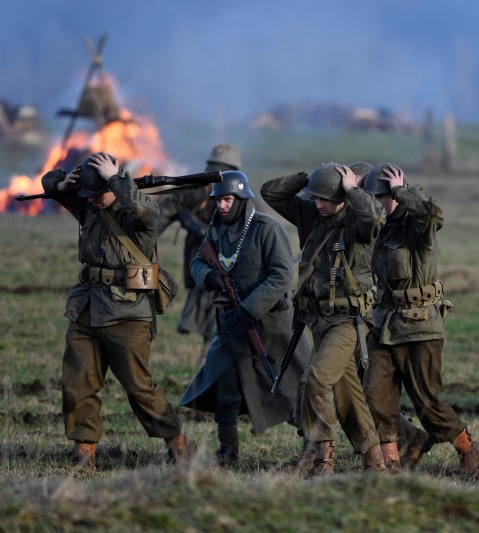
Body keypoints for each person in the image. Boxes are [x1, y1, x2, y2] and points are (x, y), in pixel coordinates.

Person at [40, 152, 194, 471]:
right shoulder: (87, 203)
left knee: (139, 387)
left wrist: (115, 180)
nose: (93, 200)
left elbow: (144, 209)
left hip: (128, 311)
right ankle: (84, 455)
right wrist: (64, 181)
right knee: (77, 381)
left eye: (99, 193)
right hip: (86, 308)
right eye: (88, 194)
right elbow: (48, 184)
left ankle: (179, 444)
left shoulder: (137, 214)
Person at [361, 163, 479, 477]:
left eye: (380, 197)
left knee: (427, 403)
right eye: (373, 198)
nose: (376, 204)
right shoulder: (383, 225)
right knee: (376, 396)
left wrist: (404, 191)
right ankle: (394, 462)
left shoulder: (417, 223)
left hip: (419, 327)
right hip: (385, 324)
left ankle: (470, 448)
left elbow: (434, 215)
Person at [261, 163, 386, 475]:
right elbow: (271, 193)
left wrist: (352, 188)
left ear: (342, 197)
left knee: (315, 379)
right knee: (347, 395)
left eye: (325, 198)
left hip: (348, 321)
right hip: (318, 320)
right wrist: (310, 177)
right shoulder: (311, 216)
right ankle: (375, 461)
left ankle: (323, 459)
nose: (318, 204)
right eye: (314, 197)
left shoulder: (358, 222)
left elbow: (374, 217)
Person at [179, 171, 311, 466]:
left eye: (227, 199)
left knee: (290, 391)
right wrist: (209, 277)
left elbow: (281, 275)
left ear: (241, 199)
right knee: (223, 388)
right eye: (218, 200)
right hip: (230, 327)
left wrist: (250, 307)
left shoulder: (266, 228)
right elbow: (198, 261)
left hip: (271, 326)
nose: (222, 205)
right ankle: (228, 451)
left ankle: (314, 451)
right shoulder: (216, 228)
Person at [157, 144, 241, 366]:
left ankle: (210, 360)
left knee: (222, 316)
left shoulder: (238, 196)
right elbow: (155, 221)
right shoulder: (194, 191)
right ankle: (209, 360)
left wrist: (190, 223)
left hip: (227, 268)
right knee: (214, 316)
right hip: (205, 267)